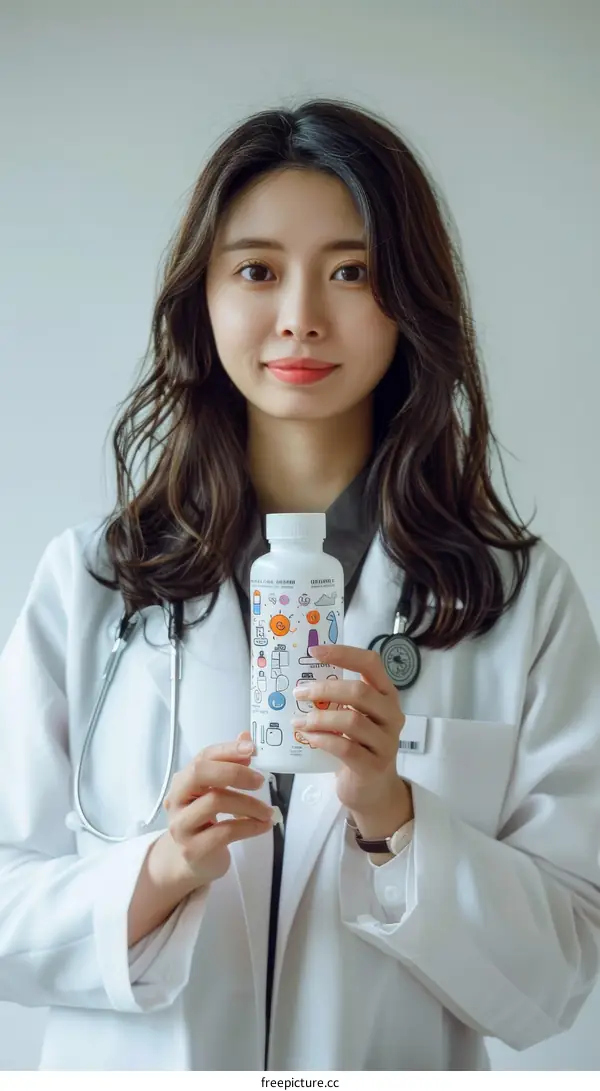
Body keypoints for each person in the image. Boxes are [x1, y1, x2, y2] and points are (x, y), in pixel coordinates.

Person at [1, 97, 599, 1073]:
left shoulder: (515, 601)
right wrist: (159, 870)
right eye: (257, 270)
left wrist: (396, 819)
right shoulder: (95, 582)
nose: (300, 317)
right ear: (203, 296)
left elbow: (561, 972)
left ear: (408, 296)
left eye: (351, 271)